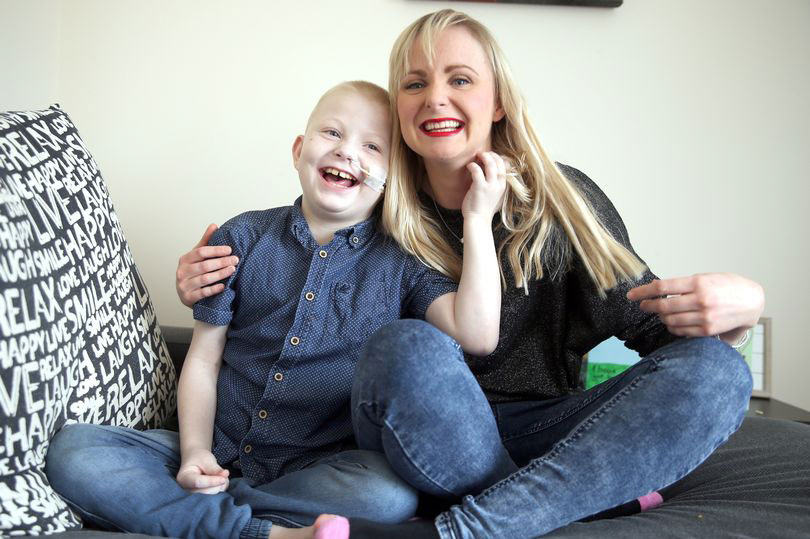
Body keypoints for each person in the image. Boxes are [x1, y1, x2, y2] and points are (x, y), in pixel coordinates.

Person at [175, 11, 766, 539]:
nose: (435, 98)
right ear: (398, 108)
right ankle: (559, 502)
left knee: (718, 371)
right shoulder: (372, 200)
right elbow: (300, 258)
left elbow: (655, 336)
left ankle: (469, 525)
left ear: (498, 102)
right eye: (415, 83)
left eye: (460, 80)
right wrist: (207, 277)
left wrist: (740, 313)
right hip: (411, 434)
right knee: (408, 345)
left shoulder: (562, 202)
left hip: (543, 429)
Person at [46, 80, 508, 539]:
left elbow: (479, 334)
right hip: (213, 451)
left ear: (392, 178)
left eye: (372, 147)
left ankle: (215, 521)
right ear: (299, 151)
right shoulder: (241, 237)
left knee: (387, 495)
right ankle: (270, 530)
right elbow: (203, 359)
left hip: (314, 470)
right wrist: (194, 453)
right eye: (332, 133)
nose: (347, 151)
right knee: (74, 451)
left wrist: (477, 220)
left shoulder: (405, 264)